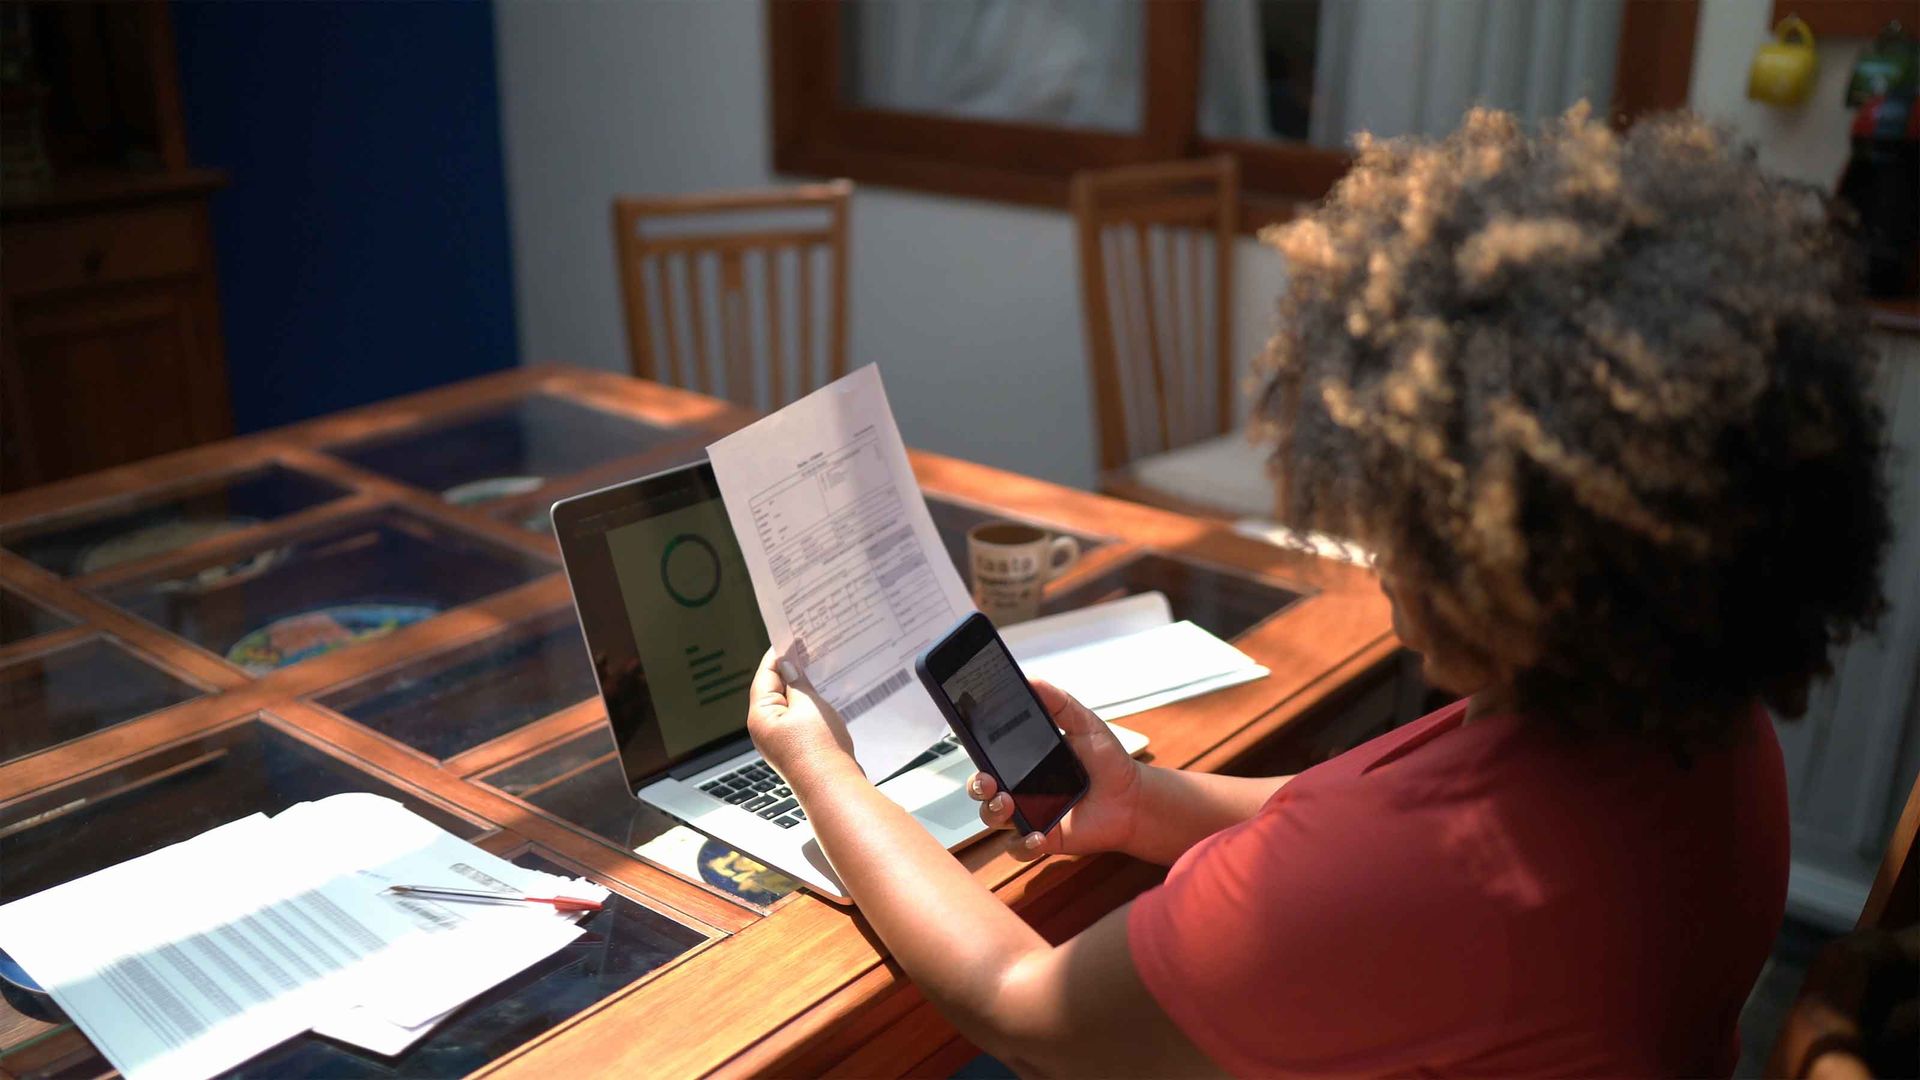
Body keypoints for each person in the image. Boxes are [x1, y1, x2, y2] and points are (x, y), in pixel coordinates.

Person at [746, 105, 1891, 1076]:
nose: (1369, 544)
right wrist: (1149, 806)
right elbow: (1359, 811)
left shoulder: (1392, 881)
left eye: (1399, 513)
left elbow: (1016, 999)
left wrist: (823, 773)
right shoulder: (1700, 731)